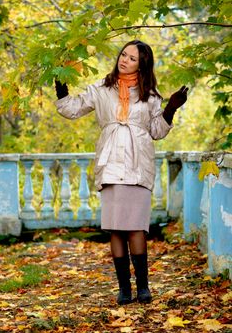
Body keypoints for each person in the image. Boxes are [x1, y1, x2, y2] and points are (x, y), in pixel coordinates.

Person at [54, 40, 188, 305]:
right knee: (116, 229)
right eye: (123, 54)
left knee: (137, 227)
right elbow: (72, 109)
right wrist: (61, 92)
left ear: (143, 64)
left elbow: (157, 131)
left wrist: (170, 108)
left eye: (132, 58)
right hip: (111, 163)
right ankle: (124, 289)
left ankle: (143, 287)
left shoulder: (150, 95)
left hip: (139, 165)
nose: (125, 60)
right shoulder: (102, 89)